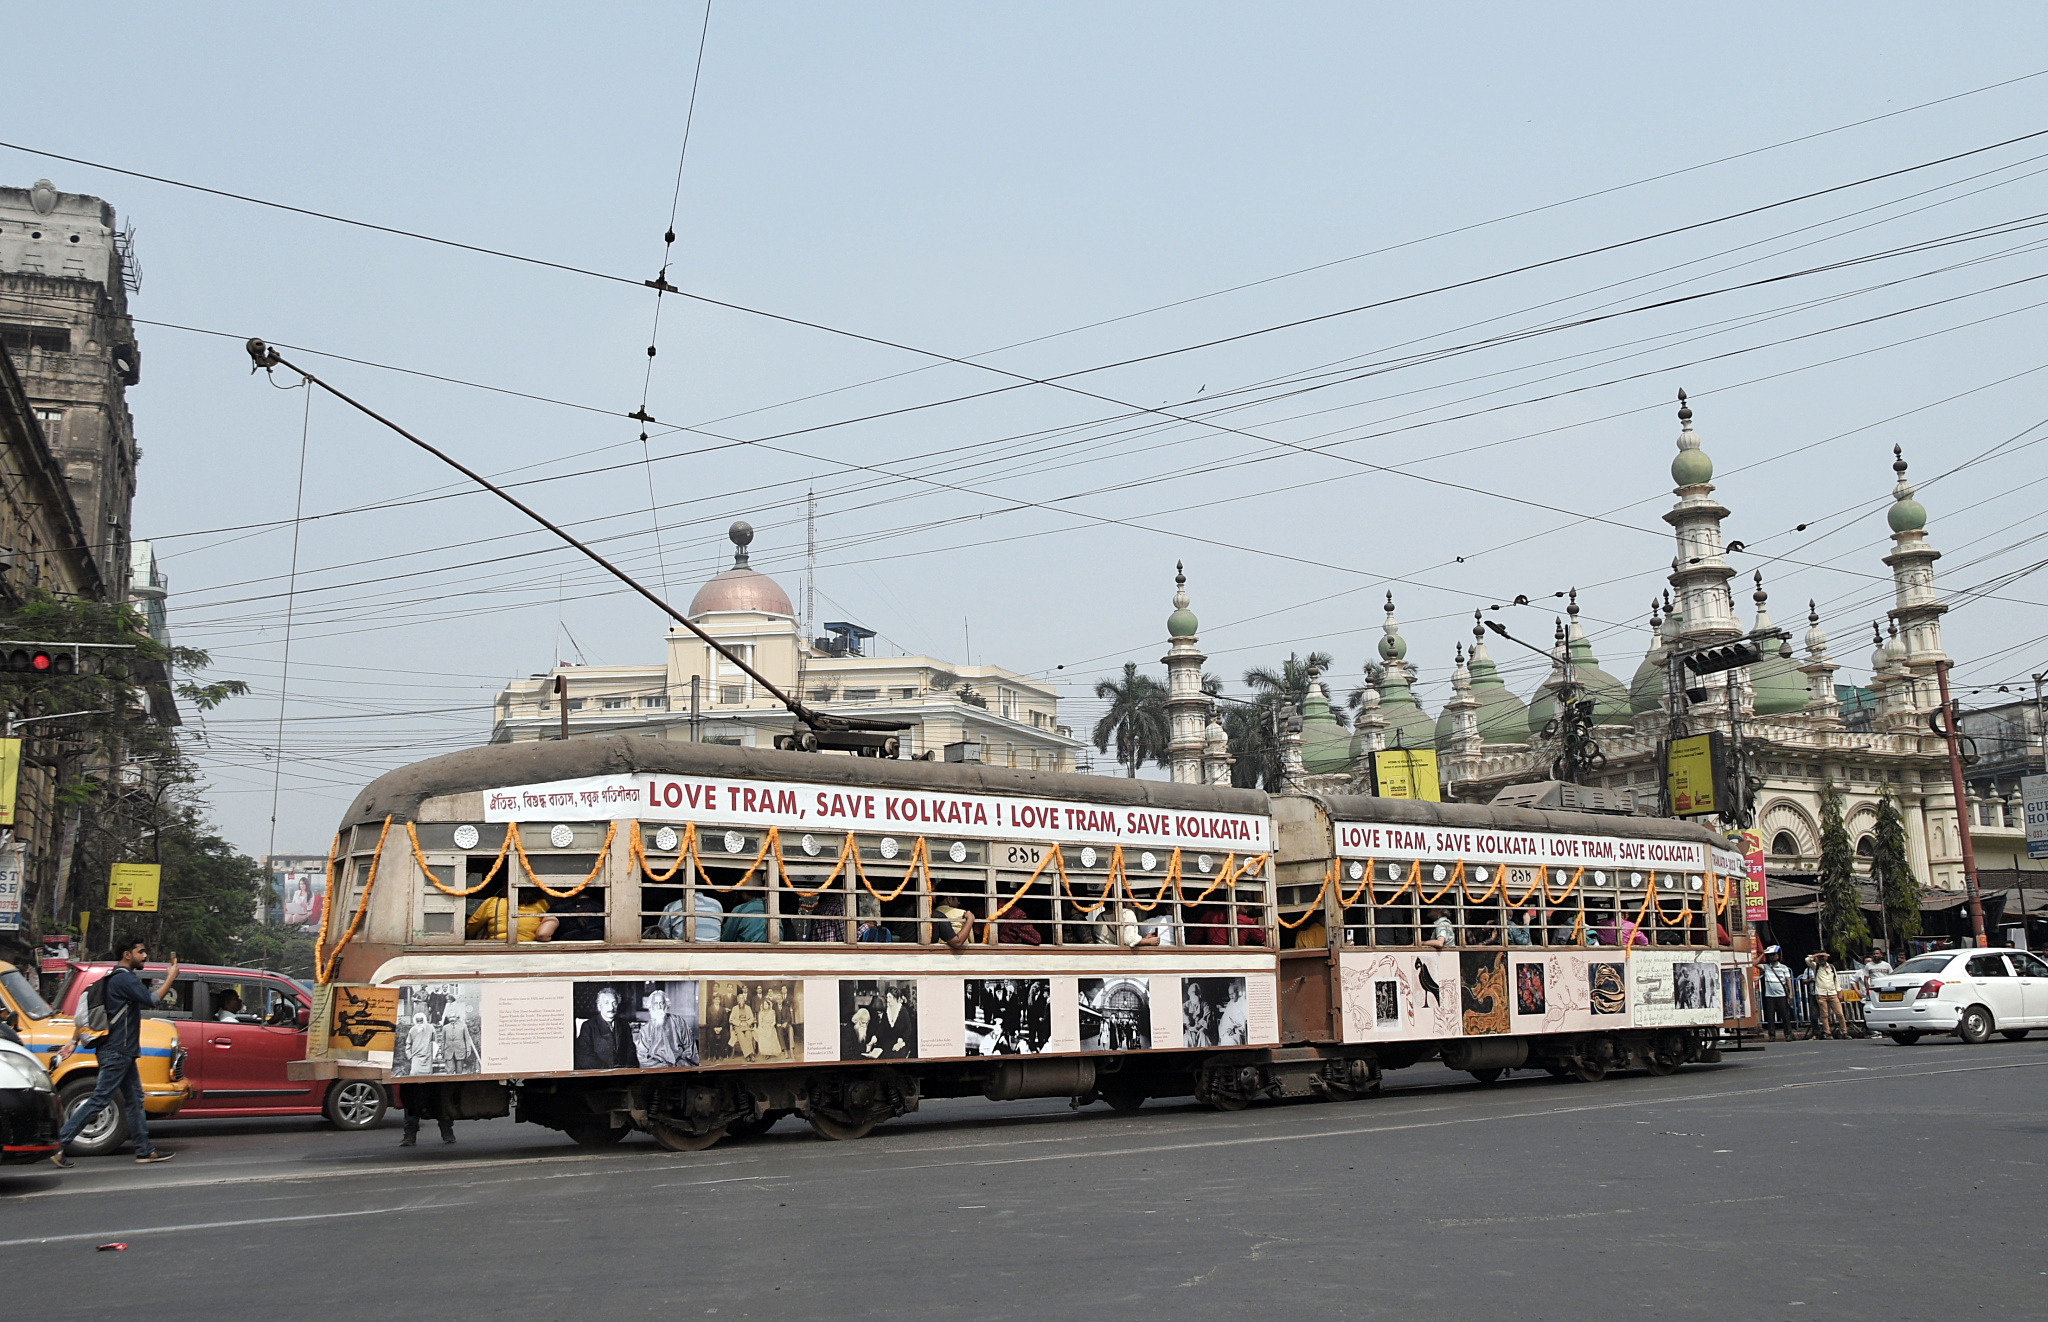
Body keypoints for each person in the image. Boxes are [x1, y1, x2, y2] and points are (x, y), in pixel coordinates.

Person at [51, 937, 179, 1167]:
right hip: (117, 1050)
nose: (145, 956)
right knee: (101, 1098)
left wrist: (73, 1041)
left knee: (134, 1099)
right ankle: (60, 1144)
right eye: (141, 952)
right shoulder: (124, 979)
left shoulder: (111, 979)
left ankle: (143, 1150)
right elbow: (152, 1000)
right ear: (127, 955)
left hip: (121, 1051)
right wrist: (171, 976)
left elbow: (91, 1016)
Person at [574, 985, 641, 1071]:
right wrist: (607, 1071)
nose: (611, 1007)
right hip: (600, 1074)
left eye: (614, 1003)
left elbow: (631, 1051)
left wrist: (627, 1070)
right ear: (599, 1006)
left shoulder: (624, 1024)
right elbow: (584, 1055)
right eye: (606, 1003)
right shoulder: (588, 1026)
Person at [637, 986, 697, 1068]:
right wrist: (664, 1066)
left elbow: (690, 1046)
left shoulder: (678, 1021)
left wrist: (682, 1061)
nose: (659, 1006)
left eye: (661, 1003)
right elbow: (642, 1057)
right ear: (651, 1007)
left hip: (681, 1065)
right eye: (655, 1004)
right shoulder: (646, 1030)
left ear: (666, 1005)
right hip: (658, 1068)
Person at [466, 892, 557, 942]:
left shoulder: (492, 903)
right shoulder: (542, 904)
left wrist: (486, 926)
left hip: (496, 950)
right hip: (529, 952)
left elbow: (469, 929)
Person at [1809, 952, 1848, 1039]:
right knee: (1825, 1014)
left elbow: (1836, 980)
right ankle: (1827, 1033)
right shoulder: (1816, 966)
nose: (1822, 959)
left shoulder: (1831, 967)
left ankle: (1844, 1032)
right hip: (1821, 993)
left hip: (1832, 993)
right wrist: (1818, 955)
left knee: (1840, 1013)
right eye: (1820, 957)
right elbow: (1807, 959)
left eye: (1823, 957)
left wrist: (1839, 992)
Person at [1756, 947, 1792, 1041]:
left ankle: (1788, 1034)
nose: (1773, 957)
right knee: (1770, 1017)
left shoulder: (1783, 968)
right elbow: (1754, 964)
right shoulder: (1766, 967)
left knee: (1785, 1016)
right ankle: (1772, 1036)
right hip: (1770, 996)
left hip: (1781, 995)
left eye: (1774, 955)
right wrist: (1763, 954)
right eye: (1771, 955)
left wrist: (1790, 993)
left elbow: (1788, 980)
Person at [658, 890, 723, 941]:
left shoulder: (672, 906)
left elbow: (662, 935)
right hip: (713, 951)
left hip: (681, 951)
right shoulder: (716, 904)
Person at [878, 986, 916, 1058]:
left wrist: (900, 1043)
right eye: (887, 997)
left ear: (896, 999)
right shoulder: (886, 1012)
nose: (888, 1000)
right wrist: (875, 1038)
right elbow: (881, 1028)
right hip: (888, 1043)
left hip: (902, 1043)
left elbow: (908, 1030)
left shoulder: (903, 1011)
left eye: (890, 997)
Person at [726, 989, 758, 1060]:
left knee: (749, 1035)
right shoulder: (734, 1008)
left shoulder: (748, 1008)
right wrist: (739, 1023)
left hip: (746, 1026)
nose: (741, 1000)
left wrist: (746, 1023)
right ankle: (749, 1055)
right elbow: (731, 1019)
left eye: (742, 998)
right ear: (737, 1000)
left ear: (744, 1000)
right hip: (738, 1026)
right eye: (739, 998)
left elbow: (752, 1018)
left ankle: (749, 1055)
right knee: (741, 1036)